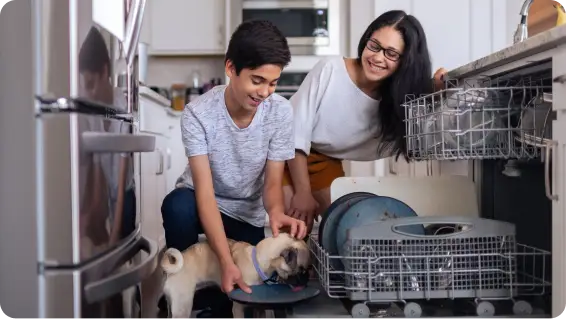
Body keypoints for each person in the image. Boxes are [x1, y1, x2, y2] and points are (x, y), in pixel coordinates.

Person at [160, 19, 307, 318]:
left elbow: (271, 185)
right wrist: (227, 261)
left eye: (273, 82)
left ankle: (217, 302)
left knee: (244, 290)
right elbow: (205, 194)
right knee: (176, 207)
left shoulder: (280, 112)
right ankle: (190, 289)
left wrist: (276, 212)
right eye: (257, 80)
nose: (265, 92)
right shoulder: (198, 114)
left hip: (246, 213)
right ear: (231, 69)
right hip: (201, 203)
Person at [283, 10, 447, 231]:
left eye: (391, 53)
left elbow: (421, 121)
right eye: (374, 46)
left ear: (405, 61)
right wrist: (302, 193)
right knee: (294, 229)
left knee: (345, 229)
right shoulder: (330, 70)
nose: (378, 58)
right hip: (285, 153)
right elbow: (294, 135)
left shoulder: (399, 98)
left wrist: (435, 92)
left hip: (324, 160)